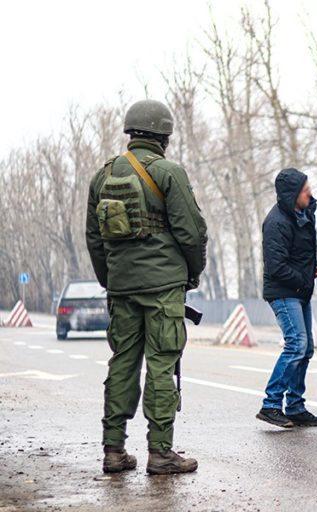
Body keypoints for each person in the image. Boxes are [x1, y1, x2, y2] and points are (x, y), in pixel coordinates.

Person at [85, 99, 208, 475]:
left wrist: (112, 279)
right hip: (163, 287)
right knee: (161, 363)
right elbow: (192, 232)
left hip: (121, 287)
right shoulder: (169, 172)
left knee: (122, 362)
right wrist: (193, 272)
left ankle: (114, 451)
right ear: (164, 135)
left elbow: (94, 238)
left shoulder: (102, 176)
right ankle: (160, 453)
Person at [257, 168, 317, 429]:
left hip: (299, 290)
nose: (310, 192)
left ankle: (295, 406)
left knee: (305, 349)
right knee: (296, 345)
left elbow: (300, 252)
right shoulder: (276, 222)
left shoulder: (302, 214)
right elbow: (277, 267)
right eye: (305, 189)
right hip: (283, 293)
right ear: (293, 194)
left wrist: (313, 267)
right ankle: (271, 404)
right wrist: (305, 278)